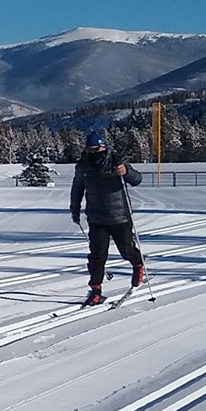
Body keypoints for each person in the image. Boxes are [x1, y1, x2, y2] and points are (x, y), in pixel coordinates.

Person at [70, 130, 144, 306]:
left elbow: (137, 179)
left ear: (103, 148)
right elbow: (77, 188)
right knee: (97, 256)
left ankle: (138, 264)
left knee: (126, 249)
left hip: (119, 216)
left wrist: (126, 172)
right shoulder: (83, 166)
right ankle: (96, 289)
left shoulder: (116, 161)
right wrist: (75, 208)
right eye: (89, 151)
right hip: (96, 218)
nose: (92, 154)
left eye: (95, 150)